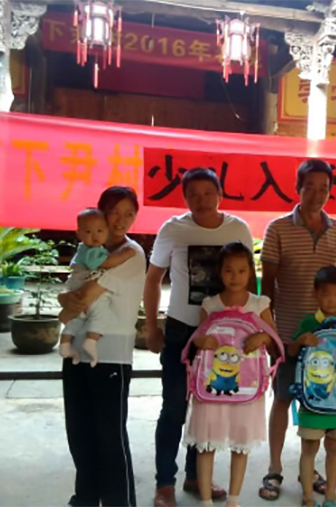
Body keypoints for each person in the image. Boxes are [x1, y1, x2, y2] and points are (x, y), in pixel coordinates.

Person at [145, 168, 254, 507]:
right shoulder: (173, 229)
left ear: (220, 194)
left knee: (206, 409)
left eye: (208, 193)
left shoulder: (238, 229)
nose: (201, 200)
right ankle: (165, 483)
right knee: (174, 408)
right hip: (181, 331)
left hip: (224, 337)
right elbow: (152, 279)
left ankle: (196, 477)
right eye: (193, 194)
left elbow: (249, 280)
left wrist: (253, 328)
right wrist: (152, 327)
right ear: (184, 198)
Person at [259, 159, 336, 501]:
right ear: (297, 188)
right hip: (287, 335)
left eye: (323, 188)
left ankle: (308, 470)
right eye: (309, 187)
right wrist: (270, 333)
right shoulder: (278, 228)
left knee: (318, 403)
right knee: (282, 399)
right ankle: (274, 468)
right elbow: (268, 285)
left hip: (326, 341)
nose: (316, 194)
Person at [58, 186, 146, 507]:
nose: (121, 220)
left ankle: (119, 502)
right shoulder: (87, 250)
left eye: (129, 213)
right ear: (100, 213)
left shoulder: (131, 254)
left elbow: (79, 297)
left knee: (110, 436)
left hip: (111, 357)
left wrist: (69, 303)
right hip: (76, 353)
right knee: (79, 432)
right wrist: (67, 302)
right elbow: (65, 300)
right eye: (114, 212)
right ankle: (85, 498)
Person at [183, 242, 280, 507]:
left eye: (241, 270)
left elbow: (273, 340)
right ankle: (206, 500)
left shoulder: (259, 303)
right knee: (207, 443)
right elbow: (198, 338)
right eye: (228, 270)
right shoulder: (210, 303)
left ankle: (233, 500)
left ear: (250, 271)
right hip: (211, 384)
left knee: (240, 444)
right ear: (220, 272)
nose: (235, 276)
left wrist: (262, 337)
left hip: (247, 385)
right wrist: (202, 341)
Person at [290, 266, 336, 507]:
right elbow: (291, 351)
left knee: (334, 446)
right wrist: (302, 340)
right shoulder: (308, 322)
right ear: (315, 294)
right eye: (326, 294)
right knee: (309, 446)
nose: (332, 300)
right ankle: (307, 496)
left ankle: (331, 495)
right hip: (312, 397)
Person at [59, 208, 137, 367]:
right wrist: (126, 255)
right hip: (83, 283)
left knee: (77, 318)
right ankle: (91, 340)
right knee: (100, 313)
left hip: (76, 283)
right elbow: (106, 263)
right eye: (88, 232)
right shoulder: (91, 251)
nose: (94, 236)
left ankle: (65, 344)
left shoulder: (87, 248)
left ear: (106, 230)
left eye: (99, 231)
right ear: (79, 234)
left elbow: (64, 315)